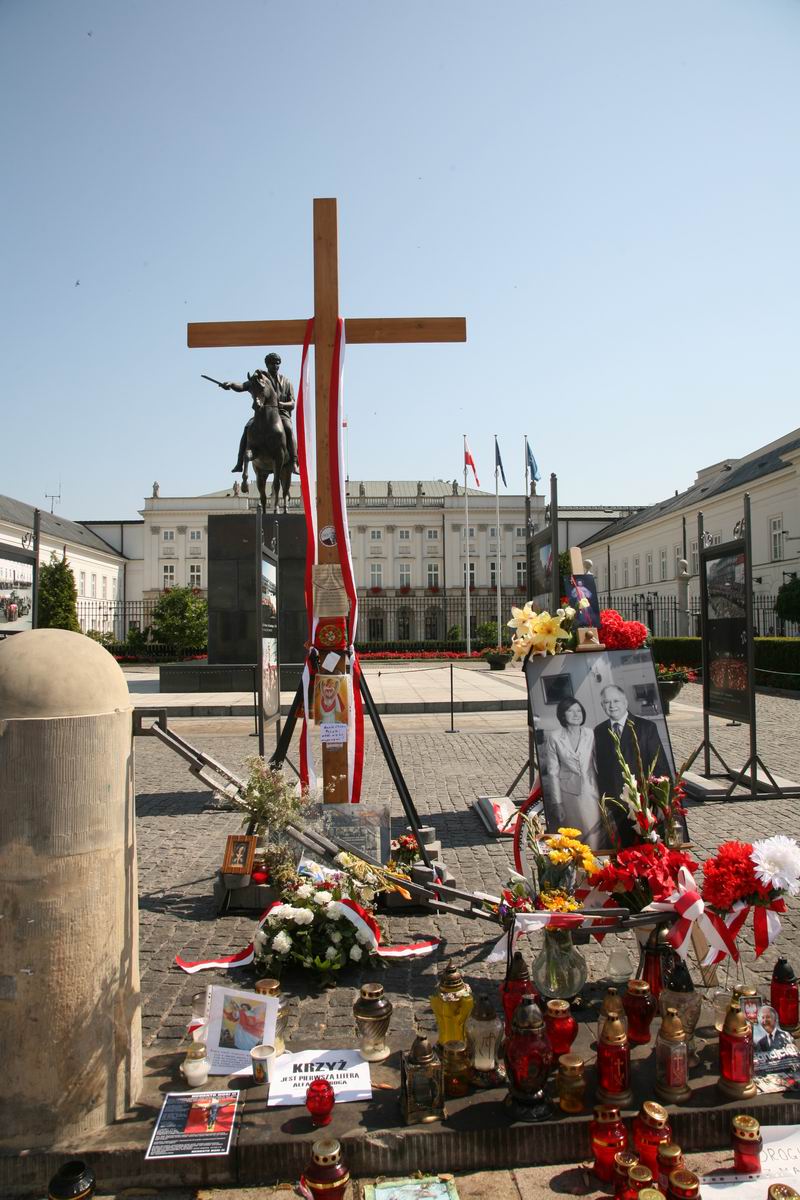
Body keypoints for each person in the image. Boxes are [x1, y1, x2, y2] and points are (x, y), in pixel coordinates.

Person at [594, 683, 671, 846]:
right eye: (607, 702)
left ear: (625, 702)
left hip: (642, 805)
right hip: (613, 807)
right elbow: (598, 770)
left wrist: (663, 802)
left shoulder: (646, 727)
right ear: (602, 706)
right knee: (617, 855)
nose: (612, 705)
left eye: (616, 701)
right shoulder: (598, 731)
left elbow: (660, 766)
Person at [541, 698, 604, 850]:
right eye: (570, 711)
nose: (576, 714)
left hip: (591, 791)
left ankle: (593, 866)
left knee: (593, 833)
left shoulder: (590, 734)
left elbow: (600, 762)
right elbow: (553, 772)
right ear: (563, 715)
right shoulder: (555, 737)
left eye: (579, 710)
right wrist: (557, 803)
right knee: (573, 835)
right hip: (567, 794)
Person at [222, 352, 299, 475]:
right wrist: (231, 384)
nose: (275, 366)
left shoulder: (287, 382)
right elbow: (243, 386)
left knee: (288, 429)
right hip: (262, 414)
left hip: (282, 414)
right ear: (267, 365)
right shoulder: (260, 380)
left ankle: (294, 461)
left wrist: (282, 404)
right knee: (247, 428)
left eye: (277, 363)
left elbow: (293, 403)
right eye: (272, 363)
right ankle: (239, 463)